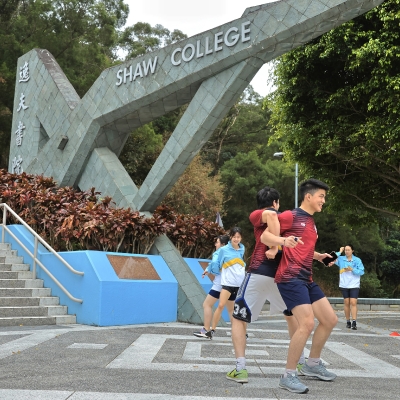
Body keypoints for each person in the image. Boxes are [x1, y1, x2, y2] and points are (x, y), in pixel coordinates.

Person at [261, 178, 338, 394]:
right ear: (309, 196)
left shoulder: (312, 223)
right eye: (321, 196)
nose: (324, 200)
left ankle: (312, 365)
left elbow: (302, 249)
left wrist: (319, 256)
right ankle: (288, 375)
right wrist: (283, 242)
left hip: (306, 278)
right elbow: (266, 235)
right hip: (289, 277)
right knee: (306, 323)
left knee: (330, 319)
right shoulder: (290, 216)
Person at [226, 186, 304, 384]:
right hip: (281, 277)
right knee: (291, 317)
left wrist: (274, 247)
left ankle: (240, 369)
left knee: (238, 318)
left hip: (259, 273)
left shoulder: (258, 213)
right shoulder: (286, 219)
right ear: (276, 202)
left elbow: (270, 216)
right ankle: (301, 362)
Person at [205, 227, 246, 339]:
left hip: (239, 285)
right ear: (230, 237)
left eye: (238, 237)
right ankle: (212, 330)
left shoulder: (242, 249)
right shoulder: (224, 250)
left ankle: (242, 332)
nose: (236, 239)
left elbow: (242, 262)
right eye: (234, 237)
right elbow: (216, 262)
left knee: (237, 309)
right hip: (227, 284)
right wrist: (211, 270)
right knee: (221, 305)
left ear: (241, 238)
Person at [193, 234, 230, 338]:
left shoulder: (220, 252)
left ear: (223, 244)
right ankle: (242, 332)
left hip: (219, 284)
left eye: (217, 242)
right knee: (232, 308)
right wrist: (208, 270)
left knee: (207, 305)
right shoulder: (231, 253)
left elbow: (214, 263)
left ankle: (206, 330)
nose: (215, 244)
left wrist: (210, 270)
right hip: (230, 284)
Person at [334, 245, 365, 330]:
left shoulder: (357, 260)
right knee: (346, 302)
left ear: (352, 251)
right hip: (344, 284)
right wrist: (339, 252)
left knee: (353, 302)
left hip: (354, 284)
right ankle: (348, 321)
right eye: (345, 250)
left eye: (348, 250)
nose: (347, 251)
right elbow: (330, 259)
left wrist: (352, 270)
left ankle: (354, 322)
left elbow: (362, 271)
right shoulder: (340, 259)